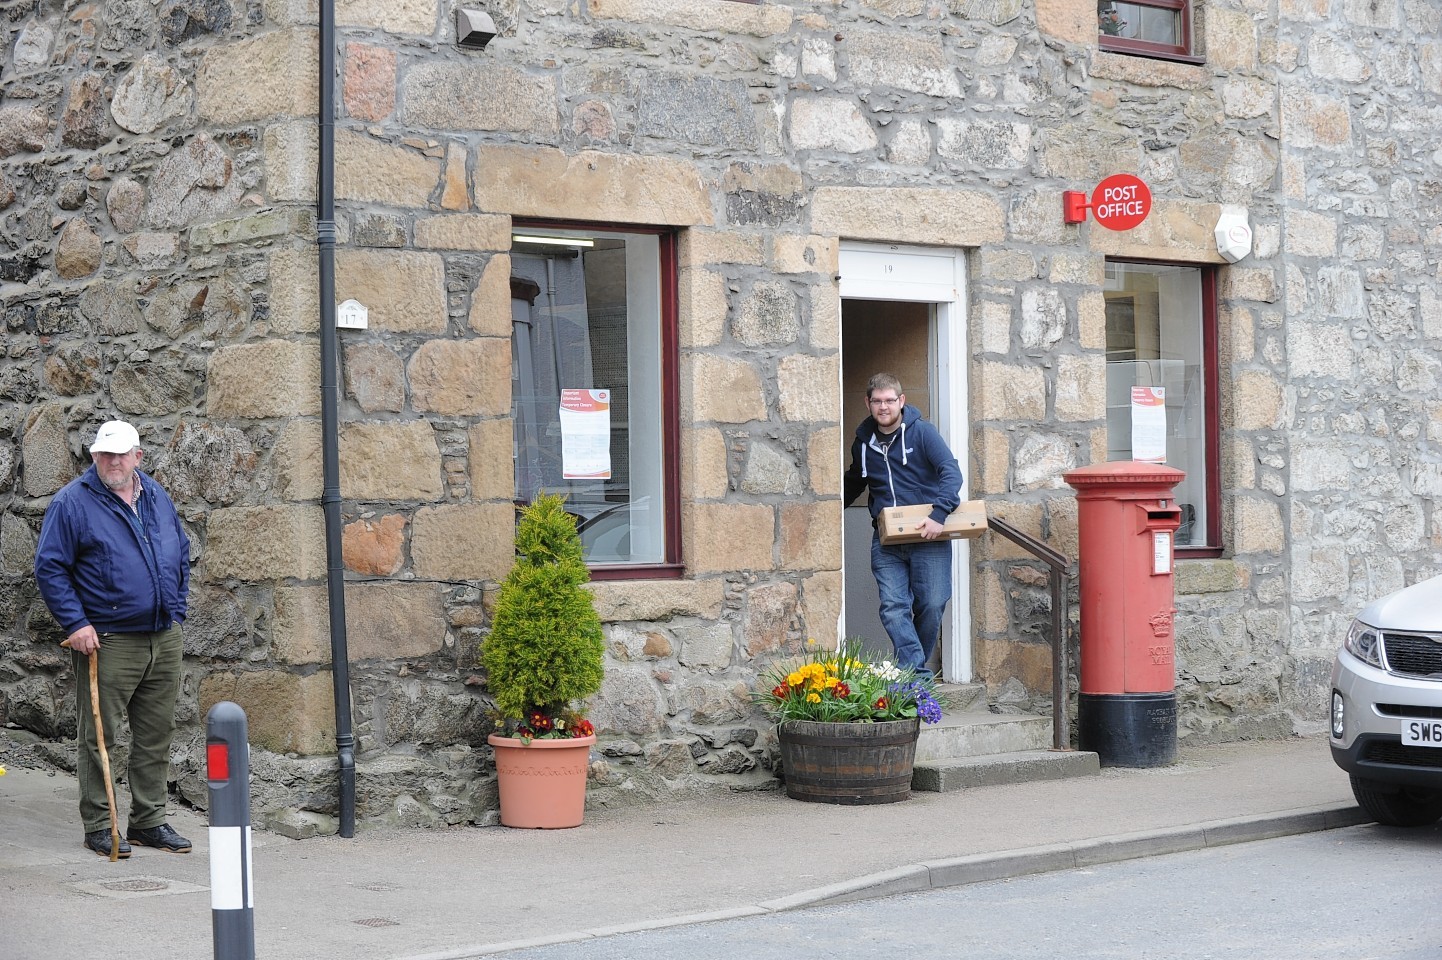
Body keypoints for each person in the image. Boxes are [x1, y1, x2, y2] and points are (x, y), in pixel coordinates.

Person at [34, 420, 192, 859]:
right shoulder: (72, 503)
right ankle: (101, 826)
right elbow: (50, 567)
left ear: (138, 456)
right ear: (94, 456)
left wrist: (176, 610)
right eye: (106, 454)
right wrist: (76, 624)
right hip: (107, 638)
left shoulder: (156, 494)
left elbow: (179, 550)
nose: (114, 461)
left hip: (162, 634)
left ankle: (149, 820)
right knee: (100, 736)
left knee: (156, 734)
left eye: (122, 454)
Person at [843, 373, 963, 679]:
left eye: (889, 400)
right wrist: (828, 506)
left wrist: (939, 515)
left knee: (933, 604)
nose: (884, 407)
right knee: (894, 606)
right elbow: (856, 481)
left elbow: (951, 472)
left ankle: (910, 670)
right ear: (867, 403)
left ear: (901, 401)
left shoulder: (923, 433)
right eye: (877, 401)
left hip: (929, 535)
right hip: (886, 540)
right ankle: (915, 674)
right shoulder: (863, 444)